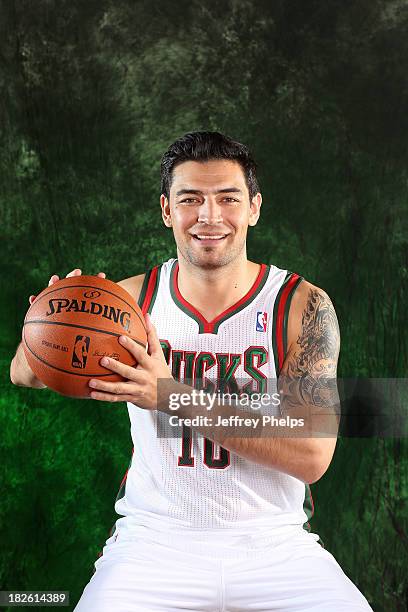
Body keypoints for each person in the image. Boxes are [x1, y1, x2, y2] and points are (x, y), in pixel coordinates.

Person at [10, 132, 373, 611]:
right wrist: (46, 322)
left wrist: (171, 395)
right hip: (153, 543)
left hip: (274, 546)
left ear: (254, 208)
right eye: (190, 200)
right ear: (166, 210)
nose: (209, 216)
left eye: (228, 198)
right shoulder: (130, 303)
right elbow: (25, 375)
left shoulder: (299, 306)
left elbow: (311, 455)